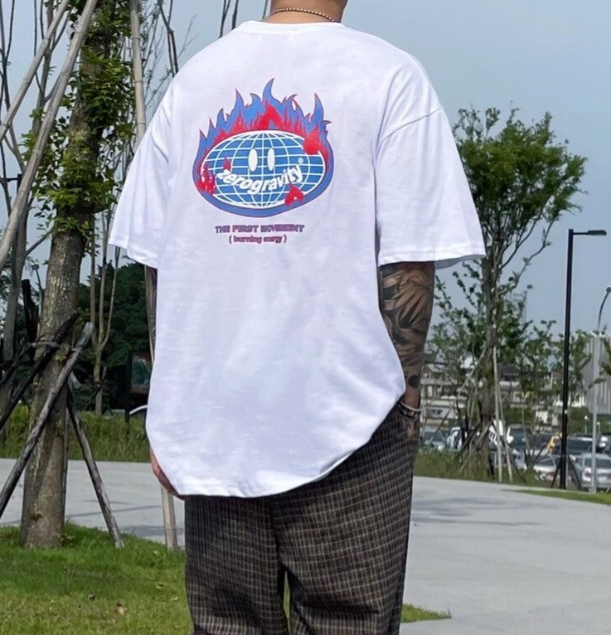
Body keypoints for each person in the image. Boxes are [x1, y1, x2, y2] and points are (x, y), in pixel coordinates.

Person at [110, 1, 485, 632]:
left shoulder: (195, 82)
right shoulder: (391, 78)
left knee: (228, 626)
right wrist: (407, 409)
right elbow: (408, 268)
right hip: (352, 422)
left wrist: (172, 410)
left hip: (219, 426)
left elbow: (161, 267)